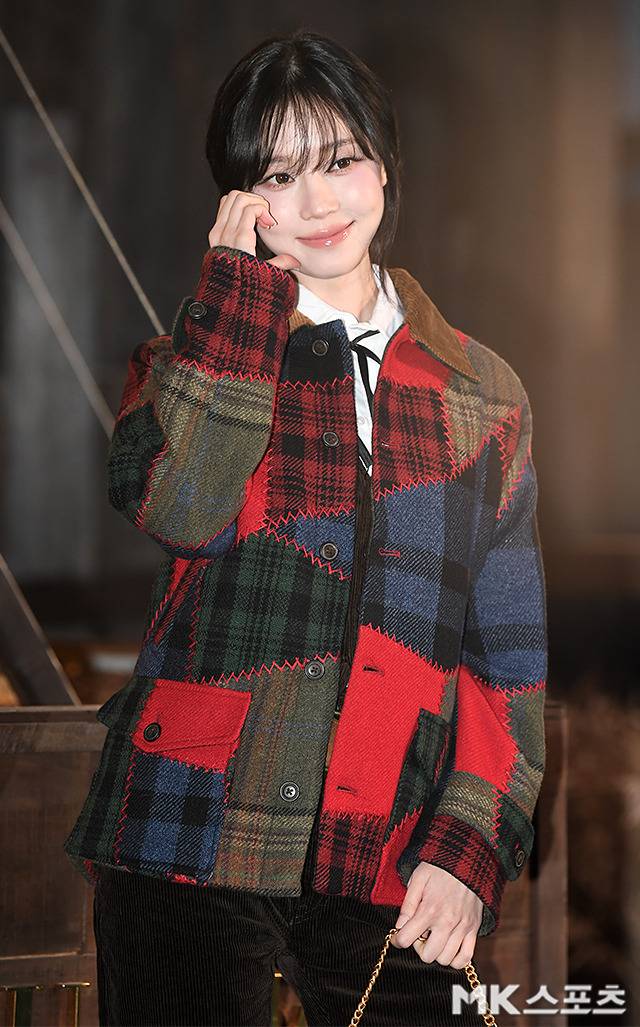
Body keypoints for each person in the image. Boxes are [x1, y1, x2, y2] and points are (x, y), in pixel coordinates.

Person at [64, 27, 548, 1027]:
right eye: (279, 176)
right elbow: (182, 508)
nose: (319, 203)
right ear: (239, 202)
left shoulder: (482, 394)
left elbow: (506, 659)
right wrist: (237, 298)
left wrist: (467, 844)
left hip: (388, 847)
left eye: (340, 161)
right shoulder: (184, 363)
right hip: (186, 837)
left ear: (385, 166)